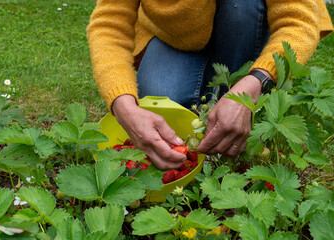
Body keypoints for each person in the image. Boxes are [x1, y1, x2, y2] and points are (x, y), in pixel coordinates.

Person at [87, 0, 333, 170]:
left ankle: (237, 119)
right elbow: (109, 23)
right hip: (176, 32)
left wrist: (255, 83)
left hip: (247, 19)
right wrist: (123, 105)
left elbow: (297, 23)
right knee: (161, 102)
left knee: (241, 6)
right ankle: (217, 124)